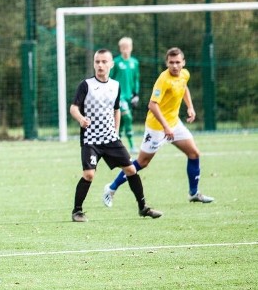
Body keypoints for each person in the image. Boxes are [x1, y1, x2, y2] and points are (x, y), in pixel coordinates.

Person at [103, 47, 214, 206]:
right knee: (142, 162)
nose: (175, 66)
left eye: (177, 62)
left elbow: (183, 87)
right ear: (166, 63)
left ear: (183, 62)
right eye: (171, 63)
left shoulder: (184, 74)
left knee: (194, 153)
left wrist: (190, 107)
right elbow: (152, 105)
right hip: (156, 127)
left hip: (174, 123)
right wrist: (166, 127)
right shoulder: (164, 79)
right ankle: (111, 188)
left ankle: (194, 193)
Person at [69, 49, 162, 223]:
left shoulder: (115, 86)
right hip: (91, 140)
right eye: (97, 62)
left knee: (131, 170)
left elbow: (116, 110)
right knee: (89, 174)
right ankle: (77, 211)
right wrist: (81, 119)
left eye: (104, 62)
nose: (100, 65)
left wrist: (116, 131)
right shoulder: (86, 85)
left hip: (111, 139)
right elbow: (74, 108)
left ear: (111, 64)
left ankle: (143, 207)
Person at [110, 37, 141, 153]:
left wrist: (136, 94)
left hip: (129, 96)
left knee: (122, 122)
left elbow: (136, 79)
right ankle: (132, 145)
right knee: (127, 117)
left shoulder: (135, 62)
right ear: (120, 49)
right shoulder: (116, 62)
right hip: (119, 96)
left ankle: (116, 144)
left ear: (131, 48)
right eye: (123, 48)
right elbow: (110, 79)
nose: (125, 50)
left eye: (127, 47)